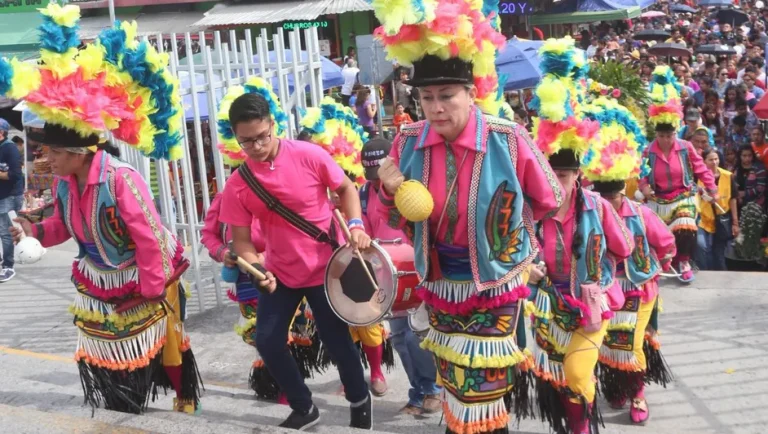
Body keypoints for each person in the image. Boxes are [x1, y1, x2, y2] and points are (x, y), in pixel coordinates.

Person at [373, 3, 564, 432]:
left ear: (471, 94)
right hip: (440, 282)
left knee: (483, 383)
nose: (436, 108)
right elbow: (392, 216)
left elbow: (550, 197)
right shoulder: (406, 143)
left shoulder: (508, 138)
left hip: (495, 281)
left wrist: (518, 241)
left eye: (446, 96)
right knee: (454, 379)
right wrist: (387, 189)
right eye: (426, 98)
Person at [4, 4, 200, 414]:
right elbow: (64, 227)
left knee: (165, 341)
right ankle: (123, 403)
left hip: (143, 273)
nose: (46, 160)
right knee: (107, 351)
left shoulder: (120, 179)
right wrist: (33, 231)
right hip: (99, 278)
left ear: (78, 152)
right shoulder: (63, 182)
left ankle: (184, 398)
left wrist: (150, 287)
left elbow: (149, 236)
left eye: (53, 152)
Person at [217, 80, 373, 429]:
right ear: (236, 137)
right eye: (246, 141)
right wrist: (256, 267)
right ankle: (305, 407)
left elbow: (346, 188)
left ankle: (360, 401)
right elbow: (241, 241)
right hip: (280, 273)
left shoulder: (309, 155)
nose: (255, 147)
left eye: (261, 136)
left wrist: (357, 225)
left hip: (324, 269)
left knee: (337, 343)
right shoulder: (238, 184)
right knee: (268, 341)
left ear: (273, 124)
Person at [526, 41, 633, 434]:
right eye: (549, 175)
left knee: (574, 371)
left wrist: (603, 269)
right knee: (561, 380)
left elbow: (625, 248)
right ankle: (576, 424)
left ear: (578, 177)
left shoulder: (599, 207)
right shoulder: (529, 212)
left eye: (564, 176)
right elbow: (511, 252)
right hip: (547, 308)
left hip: (590, 307)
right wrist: (529, 270)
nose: (556, 183)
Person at [580, 95, 676, 427]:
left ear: (623, 191)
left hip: (637, 285)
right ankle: (618, 386)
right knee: (605, 342)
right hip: (605, 285)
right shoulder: (589, 213)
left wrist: (656, 268)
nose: (608, 203)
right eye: (603, 197)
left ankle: (637, 394)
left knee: (629, 342)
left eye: (614, 197)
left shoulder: (639, 213)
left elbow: (666, 243)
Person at [297, 97, 393, 397]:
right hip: (321, 263)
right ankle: (351, 374)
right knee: (338, 327)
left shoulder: (349, 183)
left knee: (367, 319)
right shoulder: (300, 183)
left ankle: (376, 372)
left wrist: (353, 224)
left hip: (355, 256)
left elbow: (361, 214)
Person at [361, 137, 442, 414]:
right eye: (371, 178)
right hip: (386, 273)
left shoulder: (409, 189)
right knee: (397, 338)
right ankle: (418, 392)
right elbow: (366, 231)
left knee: (414, 336)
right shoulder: (364, 194)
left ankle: (433, 388)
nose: (376, 183)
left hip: (416, 268)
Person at [640, 66, 718, 283]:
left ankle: (683, 261)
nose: (666, 140)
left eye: (670, 135)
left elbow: (701, 169)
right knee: (649, 230)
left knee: (685, 225)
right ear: (657, 134)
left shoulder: (685, 146)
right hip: (657, 197)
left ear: (676, 132)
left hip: (683, 194)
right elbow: (640, 171)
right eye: (662, 135)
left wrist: (711, 187)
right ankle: (661, 261)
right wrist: (644, 186)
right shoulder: (649, 150)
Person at [695, 148, 738, 271]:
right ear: (704, 162)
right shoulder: (697, 177)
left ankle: (719, 275)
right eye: (710, 159)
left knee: (718, 250)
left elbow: (733, 199)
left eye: (716, 159)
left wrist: (735, 222)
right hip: (703, 219)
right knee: (702, 246)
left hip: (722, 219)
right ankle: (706, 272)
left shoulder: (728, 176)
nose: (714, 162)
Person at [0, 119, 23, 282]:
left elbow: (15, 174)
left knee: (6, 232)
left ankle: (8, 266)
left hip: (9, 195)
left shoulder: (10, 148)